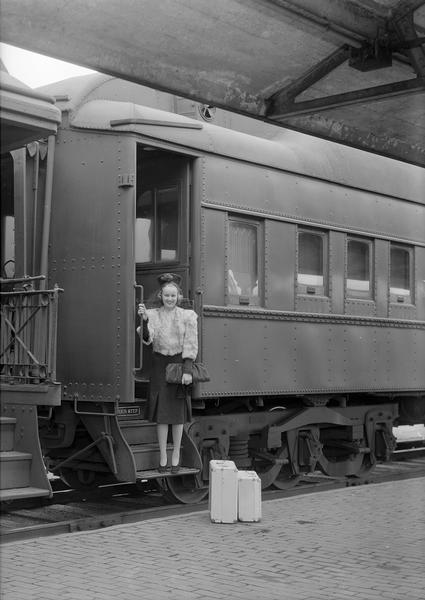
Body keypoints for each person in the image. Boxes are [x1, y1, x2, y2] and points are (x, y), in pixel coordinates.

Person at [137, 273, 198, 473]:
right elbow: (147, 338)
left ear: (178, 297)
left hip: (178, 366)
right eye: (166, 295)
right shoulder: (153, 314)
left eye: (173, 296)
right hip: (159, 366)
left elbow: (191, 344)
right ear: (161, 296)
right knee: (162, 416)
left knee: (177, 416)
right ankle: (163, 456)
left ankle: (176, 456)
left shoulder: (188, 316)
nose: (170, 299)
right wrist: (144, 320)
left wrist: (188, 371)